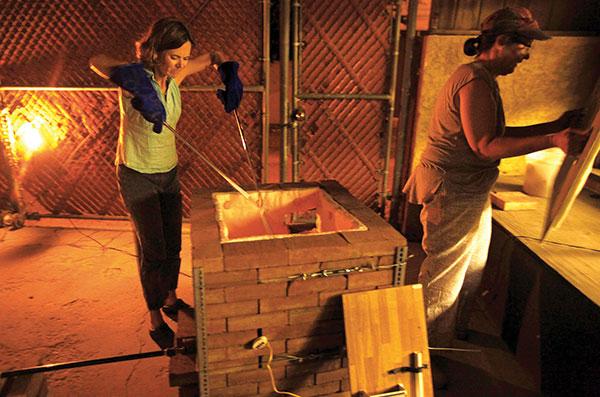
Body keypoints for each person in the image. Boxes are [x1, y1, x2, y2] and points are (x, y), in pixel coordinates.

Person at [402, 6, 589, 386]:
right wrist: (553, 140)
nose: (528, 54)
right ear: (501, 42)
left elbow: (495, 132)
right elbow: (485, 145)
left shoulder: (483, 77)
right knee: (445, 275)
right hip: (451, 188)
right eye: (524, 45)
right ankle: (422, 356)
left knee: (471, 268)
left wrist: (555, 125)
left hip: (469, 189)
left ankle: (449, 335)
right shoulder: (473, 79)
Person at [90, 18, 225, 349]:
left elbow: (207, 58)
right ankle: (154, 320)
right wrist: (136, 80)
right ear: (155, 51)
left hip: (168, 172)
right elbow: (97, 61)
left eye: (183, 57)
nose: (180, 64)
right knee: (153, 252)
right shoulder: (135, 79)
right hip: (137, 174)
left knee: (173, 245)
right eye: (173, 56)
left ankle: (170, 299)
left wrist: (222, 62)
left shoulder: (174, 75)